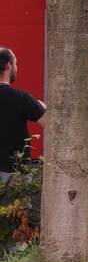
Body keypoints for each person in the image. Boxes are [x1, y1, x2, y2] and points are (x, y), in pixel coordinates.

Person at [0, 48, 46, 181]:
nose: (16, 67)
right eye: (15, 63)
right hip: (15, 176)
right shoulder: (21, 98)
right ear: (8, 65)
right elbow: (51, 124)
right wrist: (43, 107)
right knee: (19, 203)